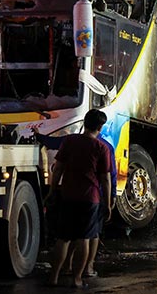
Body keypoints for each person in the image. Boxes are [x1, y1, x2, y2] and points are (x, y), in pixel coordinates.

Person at [47, 109, 112, 288]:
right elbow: (105, 179)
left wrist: (53, 191)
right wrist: (108, 204)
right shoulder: (102, 148)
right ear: (100, 127)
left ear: (85, 122)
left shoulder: (69, 141)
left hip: (68, 195)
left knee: (63, 238)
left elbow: (58, 168)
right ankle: (77, 279)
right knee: (84, 238)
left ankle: (53, 277)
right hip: (90, 199)